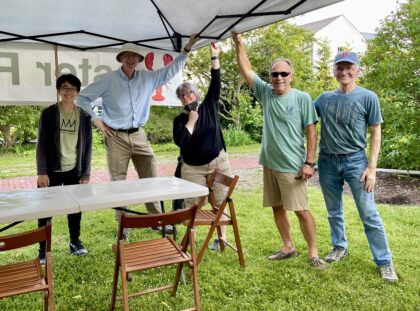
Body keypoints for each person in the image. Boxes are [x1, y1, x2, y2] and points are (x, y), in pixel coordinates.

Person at [76, 36, 198, 236]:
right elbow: (82, 98)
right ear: (121, 58)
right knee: (118, 182)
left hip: (139, 135)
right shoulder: (108, 80)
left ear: (139, 59)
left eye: (134, 56)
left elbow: (171, 70)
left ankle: (157, 220)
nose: (131, 58)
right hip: (115, 136)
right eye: (127, 55)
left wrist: (187, 49)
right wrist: (97, 121)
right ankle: (123, 224)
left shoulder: (147, 78)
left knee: (150, 176)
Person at [232, 32, 325, 269]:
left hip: (292, 166)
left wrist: (309, 163)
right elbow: (247, 71)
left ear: (291, 76)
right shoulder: (266, 93)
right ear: (270, 77)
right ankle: (287, 246)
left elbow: (311, 132)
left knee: (302, 211)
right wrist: (239, 43)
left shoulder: (302, 98)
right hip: (269, 163)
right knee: (277, 207)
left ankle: (313, 252)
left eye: (284, 73)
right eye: (275, 74)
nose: (279, 77)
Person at [314, 51, 398, 282]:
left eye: (349, 67)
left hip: (356, 162)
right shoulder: (323, 99)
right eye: (339, 68)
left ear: (358, 70)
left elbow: (375, 133)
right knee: (333, 212)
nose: (344, 72)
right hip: (327, 162)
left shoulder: (368, 97)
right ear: (333, 71)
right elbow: (306, 122)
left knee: (369, 213)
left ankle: (384, 261)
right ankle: (339, 246)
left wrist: (372, 168)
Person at [173, 42, 232, 251]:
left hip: (217, 162)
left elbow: (216, 82)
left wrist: (214, 57)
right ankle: (191, 241)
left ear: (196, 94)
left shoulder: (209, 105)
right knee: (193, 205)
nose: (187, 97)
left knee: (220, 201)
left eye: (190, 93)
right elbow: (181, 142)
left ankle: (221, 238)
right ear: (180, 101)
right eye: (183, 95)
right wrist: (191, 120)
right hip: (192, 168)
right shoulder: (179, 121)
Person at [36, 74, 92, 264]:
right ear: (59, 90)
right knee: (45, 210)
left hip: (74, 170)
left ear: (77, 92)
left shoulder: (84, 115)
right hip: (51, 171)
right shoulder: (49, 113)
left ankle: (75, 242)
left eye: (72, 88)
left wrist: (85, 174)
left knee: (75, 209)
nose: (68, 91)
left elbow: (88, 146)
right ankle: (43, 248)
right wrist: (41, 171)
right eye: (64, 87)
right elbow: (41, 144)